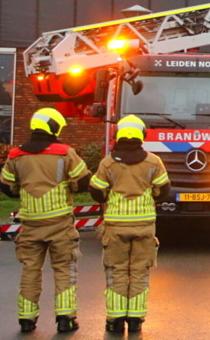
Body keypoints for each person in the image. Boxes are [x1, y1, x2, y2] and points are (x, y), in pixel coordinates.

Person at [0, 108, 92, 333]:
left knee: (30, 270)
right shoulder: (65, 152)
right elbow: (83, 181)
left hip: (31, 224)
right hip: (60, 223)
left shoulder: (16, 155)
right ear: (54, 127)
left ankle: (26, 319)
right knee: (64, 269)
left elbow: (6, 186)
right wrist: (69, 186)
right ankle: (65, 318)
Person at [89, 115, 171, 334]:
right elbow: (163, 190)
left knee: (116, 272)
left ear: (119, 136)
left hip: (115, 227)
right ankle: (135, 320)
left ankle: (115, 321)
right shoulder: (153, 161)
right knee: (139, 272)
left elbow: (96, 191)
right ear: (142, 135)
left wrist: (109, 195)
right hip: (144, 226)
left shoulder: (108, 162)